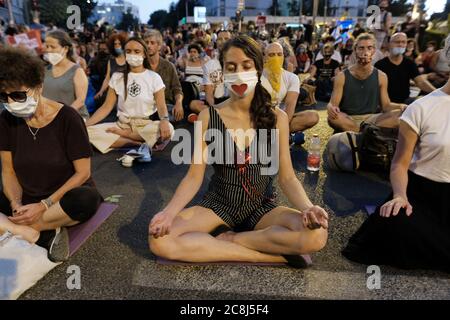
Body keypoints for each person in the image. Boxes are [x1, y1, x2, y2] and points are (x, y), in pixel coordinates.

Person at [148, 35, 328, 266]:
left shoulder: (278, 119)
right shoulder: (208, 116)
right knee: (159, 241)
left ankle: (235, 238)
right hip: (218, 205)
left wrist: (307, 207)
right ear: (222, 73)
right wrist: (170, 213)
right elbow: (194, 177)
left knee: (316, 235)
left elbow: (288, 177)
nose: (239, 72)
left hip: (262, 206)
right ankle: (262, 254)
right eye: (231, 67)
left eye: (246, 65)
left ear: (257, 69)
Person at [342, 35, 450, 273]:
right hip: (421, 195)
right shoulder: (423, 108)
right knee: (395, 223)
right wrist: (400, 195)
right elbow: (400, 164)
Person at [0, 47, 102, 262]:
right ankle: (37, 232)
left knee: (86, 199)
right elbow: (8, 171)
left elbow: (83, 173)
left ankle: (13, 227)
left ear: (38, 87)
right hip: (25, 199)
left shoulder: (68, 118)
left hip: (61, 199)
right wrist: (16, 205)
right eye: (3, 96)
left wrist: (44, 205)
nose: (10, 102)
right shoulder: (6, 120)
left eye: (17, 95)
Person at [86, 37, 173, 155]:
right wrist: (86, 124)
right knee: (88, 132)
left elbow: (161, 105)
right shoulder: (117, 76)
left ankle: (125, 139)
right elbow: (106, 107)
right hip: (121, 125)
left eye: (137, 52)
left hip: (145, 125)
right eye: (128, 51)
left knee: (169, 129)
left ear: (144, 55)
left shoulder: (154, 77)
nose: (132, 55)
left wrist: (164, 121)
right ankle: (135, 143)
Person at [327, 33, 407, 132]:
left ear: (374, 51)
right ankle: (366, 134)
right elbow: (333, 104)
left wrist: (401, 106)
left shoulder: (381, 76)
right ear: (355, 50)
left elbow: (386, 106)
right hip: (348, 118)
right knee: (332, 118)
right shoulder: (342, 76)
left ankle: (358, 133)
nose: (365, 52)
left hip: (372, 119)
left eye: (369, 48)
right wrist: (330, 107)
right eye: (361, 48)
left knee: (402, 115)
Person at [262, 42, 319, 141]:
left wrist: (281, 128)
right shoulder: (256, 76)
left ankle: (278, 135)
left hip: (282, 119)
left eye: (279, 54)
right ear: (265, 57)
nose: (276, 58)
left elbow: (290, 107)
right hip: (261, 119)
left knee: (312, 116)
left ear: (283, 56)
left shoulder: (291, 77)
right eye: (271, 55)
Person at [375, 33, 436, 104]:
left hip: (405, 102)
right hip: (385, 103)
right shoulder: (380, 65)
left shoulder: (409, 63)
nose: (400, 44)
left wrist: (438, 92)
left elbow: (420, 82)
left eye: (403, 42)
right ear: (389, 44)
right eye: (397, 42)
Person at [42, 30, 89, 119]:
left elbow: (80, 101)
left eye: (53, 47)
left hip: (72, 118)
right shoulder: (45, 70)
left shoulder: (77, 71)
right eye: (47, 46)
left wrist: (61, 116)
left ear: (65, 49)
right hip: (49, 118)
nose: (49, 50)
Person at [144, 29, 184, 122]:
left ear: (159, 46)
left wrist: (178, 103)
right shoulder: (140, 65)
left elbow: (177, 89)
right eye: (146, 43)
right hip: (145, 107)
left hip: (165, 105)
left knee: (174, 115)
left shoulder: (169, 66)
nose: (148, 46)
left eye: (152, 43)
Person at [189, 30, 232, 116]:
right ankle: (216, 115)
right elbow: (209, 94)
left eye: (226, 39)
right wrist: (214, 108)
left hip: (234, 101)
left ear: (232, 41)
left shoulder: (239, 61)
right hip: (217, 102)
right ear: (216, 42)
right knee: (193, 104)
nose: (223, 41)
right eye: (220, 39)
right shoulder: (209, 65)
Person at [94, 33, 128, 100]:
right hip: (113, 94)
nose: (117, 46)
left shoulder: (130, 60)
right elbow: (107, 78)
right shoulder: (111, 61)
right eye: (115, 44)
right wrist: (101, 91)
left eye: (119, 43)